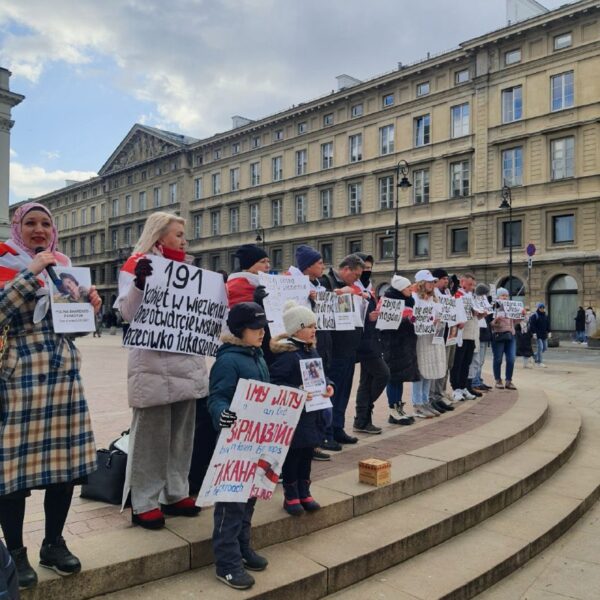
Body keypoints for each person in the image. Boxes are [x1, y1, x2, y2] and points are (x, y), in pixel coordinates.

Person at [0, 202, 101, 589]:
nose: (39, 230)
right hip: (18, 381)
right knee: (12, 475)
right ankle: (16, 553)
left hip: (62, 380)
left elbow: (70, 330)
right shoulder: (6, 261)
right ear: (17, 228)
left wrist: (89, 307)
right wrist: (30, 274)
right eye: (30, 223)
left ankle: (53, 544)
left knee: (64, 470)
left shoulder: (66, 267)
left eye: (45, 223)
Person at [115, 212, 208, 530]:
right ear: (159, 237)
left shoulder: (190, 270)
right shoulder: (135, 265)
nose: (185, 240)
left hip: (188, 362)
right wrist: (140, 284)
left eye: (184, 234)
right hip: (153, 364)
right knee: (151, 437)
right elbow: (127, 313)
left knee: (182, 435)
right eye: (179, 234)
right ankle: (144, 501)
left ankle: (175, 491)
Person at [207, 302, 271, 590]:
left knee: (249, 499)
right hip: (234, 443)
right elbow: (217, 397)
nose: (262, 332)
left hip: (256, 442)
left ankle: (243, 548)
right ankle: (226, 562)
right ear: (239, 330)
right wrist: (223, 414)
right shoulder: (228, 360)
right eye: (256, 328)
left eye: (263, 327)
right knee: (230, 504)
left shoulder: (257, 355)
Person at [269, 301, 334, 515]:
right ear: (297, 328)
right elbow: (274, 381)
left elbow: (321, 375)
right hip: (294, 416)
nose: (315, 330)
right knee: (293, 455)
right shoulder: (287, 354)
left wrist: (329, 386)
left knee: (307, 454)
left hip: (313, 413)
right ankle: (291, 494)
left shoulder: (311, 351)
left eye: (315, 326)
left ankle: (305, 491)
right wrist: (295, 390)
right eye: (310, 326)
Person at [319, 254, 366, 447]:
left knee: (344, 391)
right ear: (345, 269)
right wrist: (339, 293)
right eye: (355, 275)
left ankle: (338, 428)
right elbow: (319, 304)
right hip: (334, 348)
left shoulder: (354, 288)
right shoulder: (326, 281)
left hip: (349, 348)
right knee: (331, 392)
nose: (357, 279)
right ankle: (326, 433)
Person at [353, 253, 389, 434]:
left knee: (367, 380)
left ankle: (362, 419)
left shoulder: (368, 286)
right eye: (364, 268)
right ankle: (365, 410)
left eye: (369, 268)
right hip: (363, 342)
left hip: (374, 338)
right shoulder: (353, 286)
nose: (367, 271)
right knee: (383, 374)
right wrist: (369, 317)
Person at [380, 275, 418, 426]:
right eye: (408, 287)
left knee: (400, 377)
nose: (411, 289)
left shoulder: (409, 301)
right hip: (393, 344)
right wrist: (404, 320)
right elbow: (385, 323)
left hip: (406, 343)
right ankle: (393, 409)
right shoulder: (388, 300)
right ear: (401, 288)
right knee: (394, 378)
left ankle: (399, 407)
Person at [412, 270, 447, 418]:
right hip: (421, 338)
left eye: (433, 282)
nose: (432, 284)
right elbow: (413, 318)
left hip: (433, 337)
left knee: (429, 370)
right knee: (421, 371)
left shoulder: (434, 299)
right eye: (429, 281)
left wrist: (439, 320)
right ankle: (418, 403)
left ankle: (425, 401)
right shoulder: (415, 298)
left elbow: (440, 314)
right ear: (421, 283)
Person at [451, 273, 484, 401]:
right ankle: (456, 388)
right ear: (462, 282)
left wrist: (480, 314)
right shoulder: (457, 295)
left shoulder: (472, 297)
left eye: (473, 285)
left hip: (471, 334)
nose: (472, 287)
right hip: (461, 334)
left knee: (467, 362)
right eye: (470, 284)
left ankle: (464, 386)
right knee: (458, 363)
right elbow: (455, 312)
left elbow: (475, 315)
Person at [428, 268, 456, 410]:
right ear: (436, 280)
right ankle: (433, 396)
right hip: (438, 333)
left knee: (445, 366)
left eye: (447, 278)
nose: (446, 281)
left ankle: (440, 393)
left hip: (449, 332)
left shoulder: (447, 293)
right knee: (437, 366)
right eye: (443, 278)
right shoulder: (434, 294)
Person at [491, 287, 520, 389]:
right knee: (498, 359)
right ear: (498, 297)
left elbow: (515, 322)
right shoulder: (494, 307)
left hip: (510, 335)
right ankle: (498, 380)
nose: (505, 297)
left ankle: (508, 380)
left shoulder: (510, 306)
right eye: (503, 295)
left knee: (511, 358)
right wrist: (496, 320)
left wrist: (521, 316)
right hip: (498, 335)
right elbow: (490, 324)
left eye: (506, 295)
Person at [468, 283, 493, 394]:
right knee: (477, 360)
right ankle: (475, 381)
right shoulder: (475, 300)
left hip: (484, 332)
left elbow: (487, 318)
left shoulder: (484, 301)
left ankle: (478, 379)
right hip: (478, 333)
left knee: (480, 360)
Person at [528, 302, 551, 368]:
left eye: (543, 307)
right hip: (538, 335)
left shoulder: (545, 316)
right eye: (541, 307)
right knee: (540, 348)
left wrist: (549, 332)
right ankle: (539, 362)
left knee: (545, 348)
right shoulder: (535, 316)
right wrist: (534, 333)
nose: (542, 309)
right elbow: (532, 325)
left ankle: (534, 356)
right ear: (538, 308)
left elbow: (547, 324)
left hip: (544, 334)